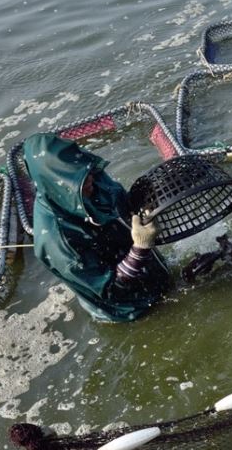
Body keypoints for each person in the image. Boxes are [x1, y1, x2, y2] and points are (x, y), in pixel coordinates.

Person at [22, 133, 170, 322]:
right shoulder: (57, 241)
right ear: (61, 186)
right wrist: (140, 247)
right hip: (132, 308)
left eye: (87, 171)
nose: (91, 178)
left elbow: (121, 199)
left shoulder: (92, 177)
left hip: (149, 268)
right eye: (80, 181)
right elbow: (112, 291)